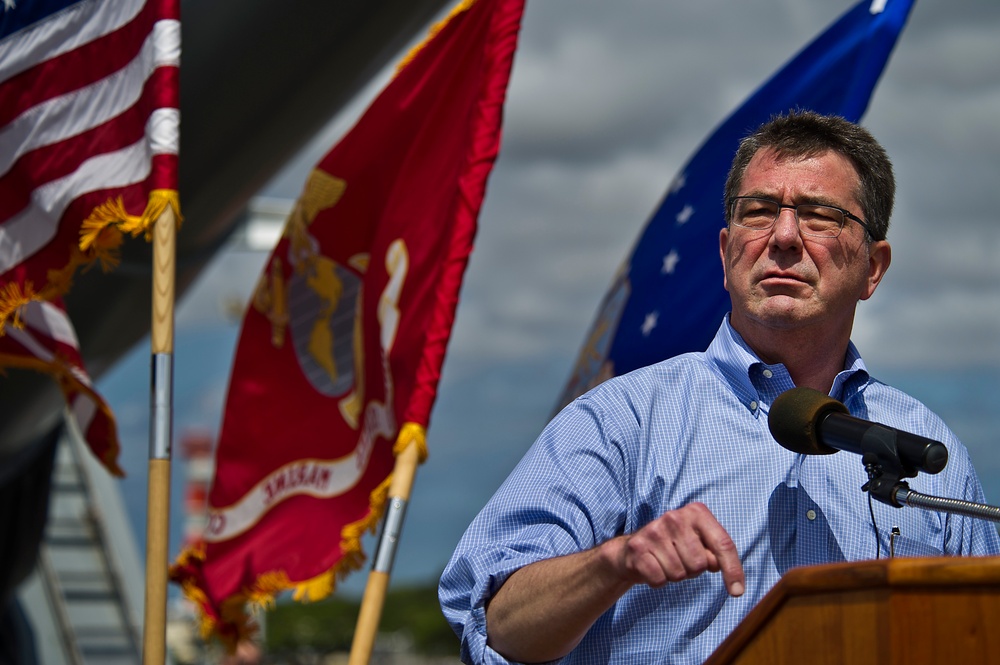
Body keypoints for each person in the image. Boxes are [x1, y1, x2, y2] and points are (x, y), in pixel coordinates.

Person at [438, 111, 1000, 665]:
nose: (783, 236)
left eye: (819, 215)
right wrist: (613, 563)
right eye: (759, 212)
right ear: (726, 251)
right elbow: (496, 626)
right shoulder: (619, 421)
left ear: (873, 268)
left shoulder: (926, 446)